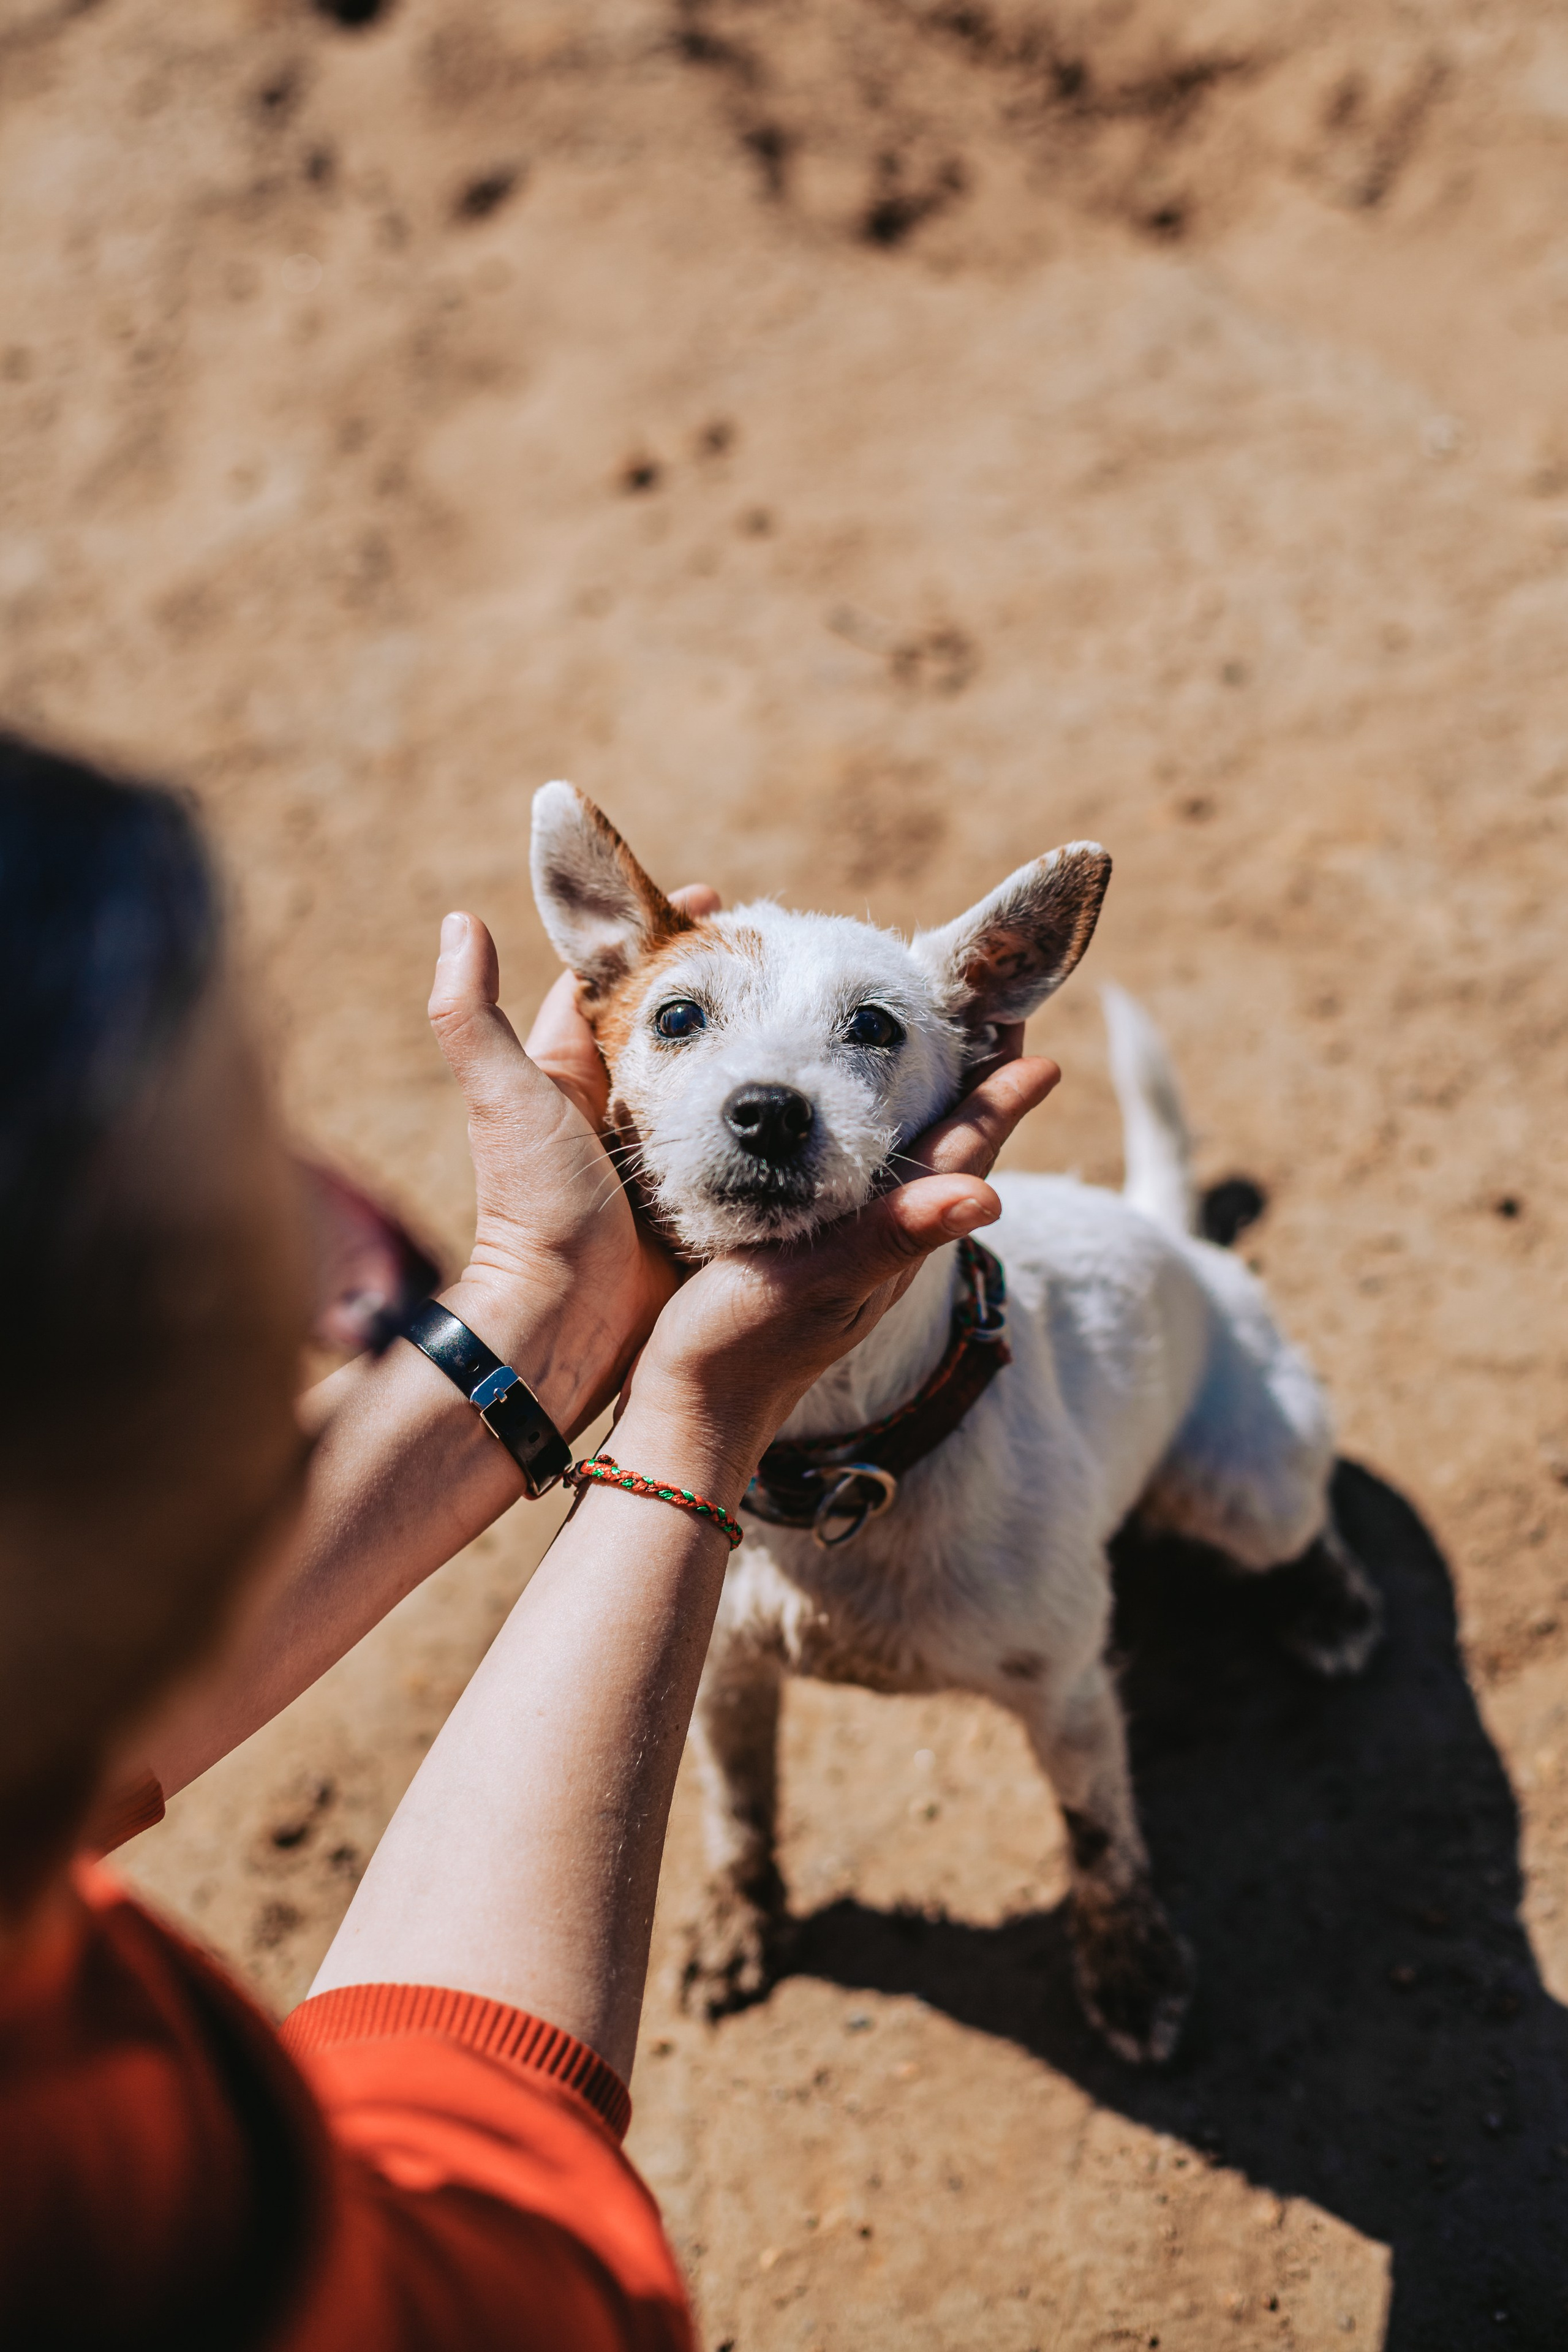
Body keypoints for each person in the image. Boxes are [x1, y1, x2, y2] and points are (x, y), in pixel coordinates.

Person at [0, 736, 1058, 2347]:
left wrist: (541, 1314)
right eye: (262, 1194)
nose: (373, 1257)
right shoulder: (123, 2199)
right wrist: (686, 1416)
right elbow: (522, 2265)